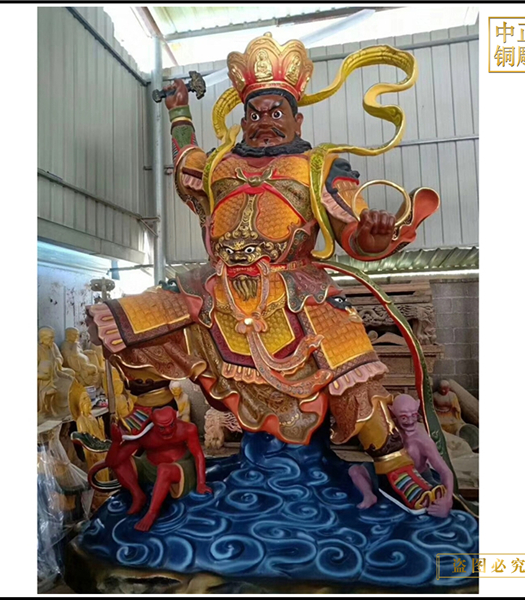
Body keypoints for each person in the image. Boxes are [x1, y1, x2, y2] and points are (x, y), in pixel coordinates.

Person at [86, 33, 442, 514]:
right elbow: (186, 166)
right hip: (215, 287)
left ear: (297, 119)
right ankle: (155, 412)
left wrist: (376, 233)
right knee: (120, 320)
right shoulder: (219, 165)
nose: (264, 122)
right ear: (242, 120)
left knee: (350, 366)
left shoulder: (318, 167)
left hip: (294, 289)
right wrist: (179, 111)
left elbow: (353, 234)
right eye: (254, 114)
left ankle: (394, 463)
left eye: (276, 112)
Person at [89, 407, 211, 532]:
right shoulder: (144, 434)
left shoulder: (188, 429)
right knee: (121, 462)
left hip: (179, 468)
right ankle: (137, 494)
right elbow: (112, 462)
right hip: (149, 467)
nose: (168, 431)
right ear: (153, 422)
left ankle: (152, 513)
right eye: (162, 428)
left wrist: (201, 483)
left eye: (171, 425)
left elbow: (198, 455)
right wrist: (116, 442)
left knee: (164, 469)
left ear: (175, 417)